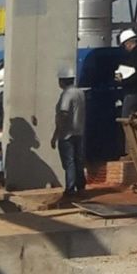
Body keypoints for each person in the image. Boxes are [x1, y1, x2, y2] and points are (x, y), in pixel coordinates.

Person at [51, 65, 86, 202]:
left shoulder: (66, 94)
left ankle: (70, 189)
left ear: (63, 81)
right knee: (78, 160)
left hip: (67, 134)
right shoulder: (80, 93)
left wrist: (55, 134)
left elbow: (63, 113)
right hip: (79, 131)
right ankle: (81, 186)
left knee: (69, 162)